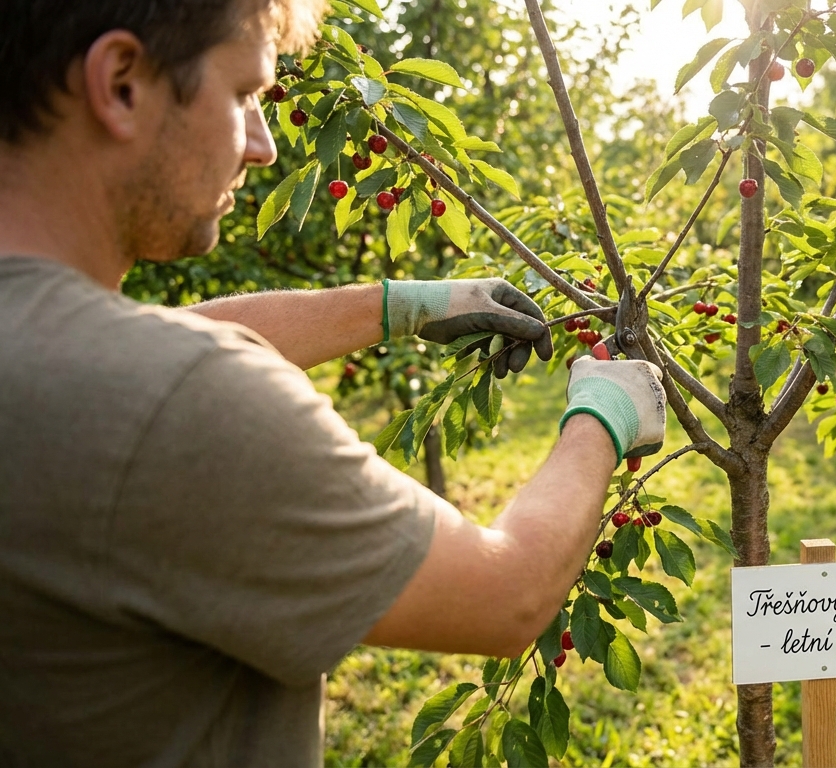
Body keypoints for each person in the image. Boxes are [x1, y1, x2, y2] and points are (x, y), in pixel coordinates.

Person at [0, 0, 667, 764]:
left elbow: (149, 346)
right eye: (245, 93)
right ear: (121, 83)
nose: (261, 144)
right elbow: (505, 593)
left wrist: (402, 304)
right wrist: (603, 416)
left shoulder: (63, 361)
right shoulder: (181, 402)